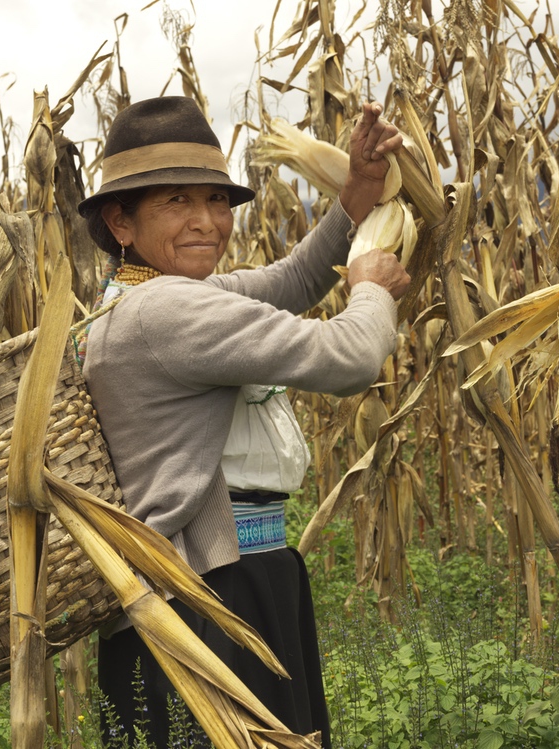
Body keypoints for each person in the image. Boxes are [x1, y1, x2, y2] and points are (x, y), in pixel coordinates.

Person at [76, 95, 409, 748]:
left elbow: (290, 281)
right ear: (120, 221)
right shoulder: (167, 313)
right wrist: (369, 286)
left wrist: (357, 195)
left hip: (205, 592)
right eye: (177, 202)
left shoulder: (145, 298)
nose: (207, 222)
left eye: (217, 201)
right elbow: (348, 357)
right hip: (213, 599)